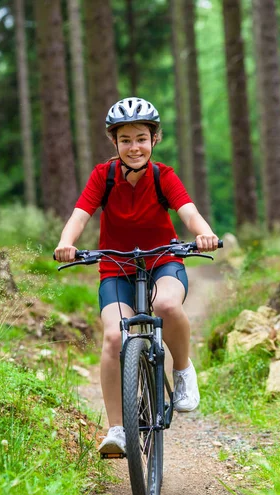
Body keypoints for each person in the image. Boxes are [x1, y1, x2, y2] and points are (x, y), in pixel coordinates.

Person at [54, 97, 219, 455]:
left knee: (167, 305)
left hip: (163, 260)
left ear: (154, 140)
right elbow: (80, 214)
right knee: (114, 338)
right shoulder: (104, 176)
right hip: (115, 268)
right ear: (114, 142)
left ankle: (183, 371)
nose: (134, 147)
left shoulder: (164, 176)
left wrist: (204, 233)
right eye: (125, 139)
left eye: (141, 138)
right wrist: (67, 242)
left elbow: (189, 213)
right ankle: (118, 429)